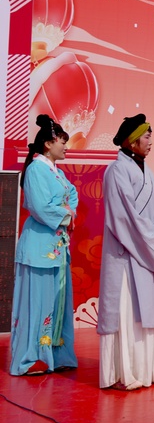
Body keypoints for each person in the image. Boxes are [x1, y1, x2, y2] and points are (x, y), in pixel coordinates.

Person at [97, 114, 154, 390]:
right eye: (146, 137)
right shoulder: (116, 171)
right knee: (127, 313)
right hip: (127, 253)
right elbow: (124, 219)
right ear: (132, 142)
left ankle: (150, 370)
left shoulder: (148, 172)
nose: (150, 142)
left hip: (147, 247)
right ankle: (125, 373)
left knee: (148, 311)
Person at [10, 115, 78, 376]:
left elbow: (72, 194)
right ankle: (30, 358)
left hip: (56, 246)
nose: (65, 146)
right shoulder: (36, 169)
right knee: (37, 304)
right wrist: (66, 213)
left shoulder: (57, 172)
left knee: (56, 304)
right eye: (62, 141)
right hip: (39, 246)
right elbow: (39, 207)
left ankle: (55, 355)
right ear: (48, 144)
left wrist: (68, 211)